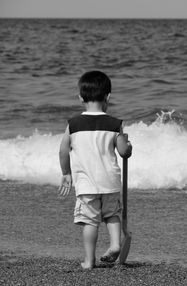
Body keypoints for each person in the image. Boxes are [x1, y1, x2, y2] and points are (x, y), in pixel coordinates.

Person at [58, 71, 132, 269]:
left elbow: (63, 149)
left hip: (87, 184)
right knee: (112, 214)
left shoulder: (73, 124)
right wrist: (128, 147)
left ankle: (89, 260)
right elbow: (123, 152)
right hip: (111, 182)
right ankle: (115, 244)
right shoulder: (115, 124)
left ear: (80, 97)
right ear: (108, 97)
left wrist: (66, 173)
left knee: (89, 222)